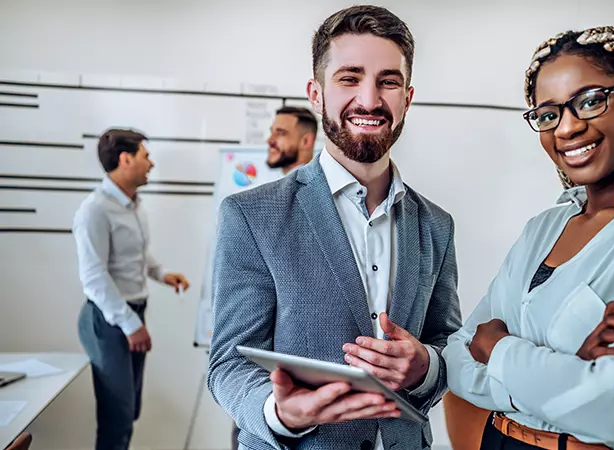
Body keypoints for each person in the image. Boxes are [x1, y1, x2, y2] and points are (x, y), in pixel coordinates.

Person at [443, 26, 614, 450]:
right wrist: (569, 367)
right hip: (497, 440)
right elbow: (459, 353)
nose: (567, 128)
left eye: (590, 101)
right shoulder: (544, 225)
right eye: (548, 114)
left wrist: (499, 349)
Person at [207, 5, 462, 450]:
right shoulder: (250, 216)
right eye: (349, 78)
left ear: (407, 96)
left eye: (388, 81)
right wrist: (279, 412)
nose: (369, 99)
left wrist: (426, 367)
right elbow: (228, 363)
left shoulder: (436, 225)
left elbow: (445, 344)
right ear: (317, 93)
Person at [74, 129, 191, 450]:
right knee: (117, 416)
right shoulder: (94, 210)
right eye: (145, 156)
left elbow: (133, 255)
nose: (151, 163)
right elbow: (94, 277)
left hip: (132, 313)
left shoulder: (133, 205)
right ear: (125, 160)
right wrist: (131, 325)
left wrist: (162, 274)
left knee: (130, 411)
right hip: (108, 319)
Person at [230, 105, 318, 449]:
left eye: (281, 132)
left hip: (302, 382)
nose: (270, 139)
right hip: (252, 371)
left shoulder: (329, 209)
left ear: (307, 139)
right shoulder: (254, 205)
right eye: (272, 131)